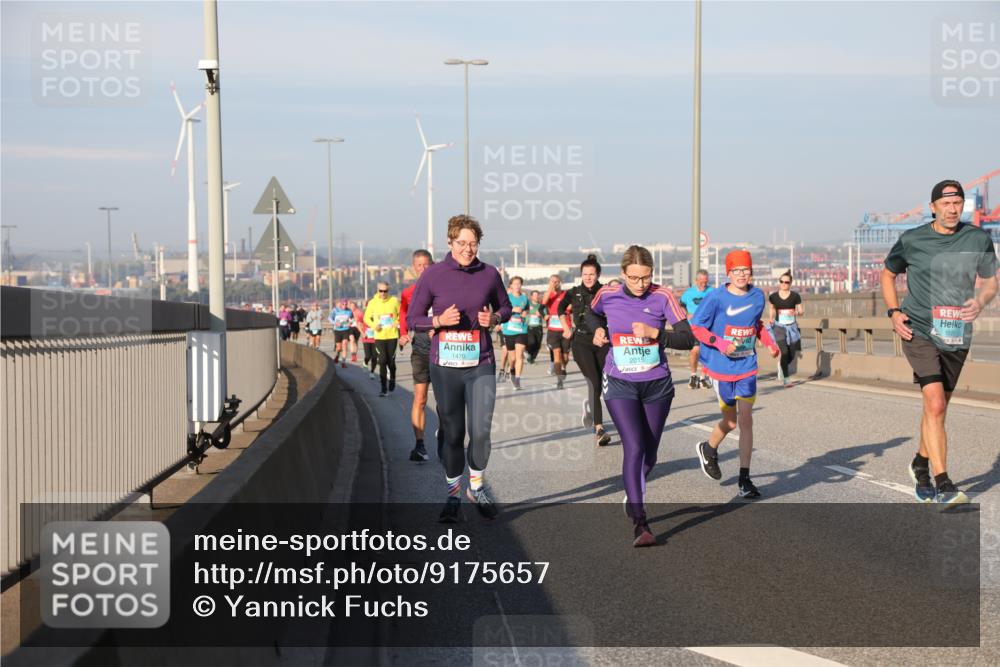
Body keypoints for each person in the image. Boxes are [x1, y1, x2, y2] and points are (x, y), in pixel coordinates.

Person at [882, 179, 998, 506]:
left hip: (956, 333)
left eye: (957, 203)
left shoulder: (977, 238)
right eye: (945, 204)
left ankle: (920, 463)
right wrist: (893, 312)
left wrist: (982, 300)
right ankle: (943, 482)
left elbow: (990, 280)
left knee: (939, 407)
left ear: (964, 206)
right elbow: (888, 274)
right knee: (934, 403)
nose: (952, 209)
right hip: (918, 329)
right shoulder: (913, 239)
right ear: (932, 207)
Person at [587, 245, 696, 546]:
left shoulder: (663, 296)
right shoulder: (608, 294)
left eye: (645, 277)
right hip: (620, 381)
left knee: (650, 453)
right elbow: (590, 314)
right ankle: (640, 522)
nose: (640, 284)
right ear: (623, 274)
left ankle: (633, 490)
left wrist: (655, 334)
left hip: (656, 384)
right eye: (634, 278)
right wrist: (597, 330)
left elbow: (688, 338)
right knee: (633, 447)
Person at [407, 214, 512, 523]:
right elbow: (413, 319)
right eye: (462, 243)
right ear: (450, 242)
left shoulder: (489, 274)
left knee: (481, 431)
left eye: (473, 243)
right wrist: (438, 321)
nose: (468, 249)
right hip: (446, 366)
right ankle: (453, 496)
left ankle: (476, 488)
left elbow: (506, 307)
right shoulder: (433, 276)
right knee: (454, 435)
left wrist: (494, 319)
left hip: (480, 362)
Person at [690, 250, 780, 499]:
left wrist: (770, 344)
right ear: (728, 273)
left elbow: (756, 325)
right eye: (737, 271)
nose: (742, 275)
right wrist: (719, 343)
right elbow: (696, 326)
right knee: (730, 422)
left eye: (746, 270)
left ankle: (744, 478)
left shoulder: (757, 296)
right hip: (720, 367)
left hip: (747, 366)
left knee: (746, 420)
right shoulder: (716, 298)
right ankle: (709, 448)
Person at [561, 254, 611, 446]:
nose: (588, 277)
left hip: (601, 341)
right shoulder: (573, 292)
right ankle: (599, 429)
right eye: (585, 274)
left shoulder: (606, 292)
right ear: (581, 275)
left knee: (605, 384)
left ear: (598, 275)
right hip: (581, 341)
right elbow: (560, 308)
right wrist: (566, 327)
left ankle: (589, 405)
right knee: (594, 382)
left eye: (592, 274)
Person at [400, 249, 445, 462]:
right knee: (420, 398)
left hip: (442, 348)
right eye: (419, 266)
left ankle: (444, 432)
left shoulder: (444, 290)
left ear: (433, 265)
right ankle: (419, 445)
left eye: (427, 265)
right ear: (414, 268)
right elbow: (405, 318)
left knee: (444, 400)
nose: (423, 269)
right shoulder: (408, 293)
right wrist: (402, 334)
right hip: (420, 348)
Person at [365, 281, 401, 397]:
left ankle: (393, 378)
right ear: (377, 290)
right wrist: (374, 326)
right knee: (382, 361)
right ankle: (383, 388)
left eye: (385, 291)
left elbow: (402, 314)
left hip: (392, 336)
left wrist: (397, 322)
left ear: (388, 290)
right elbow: (366, 318)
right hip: (379, 336)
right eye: (381, 291)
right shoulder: (373, 303)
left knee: (390, 361)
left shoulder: (394, 301)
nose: (383, 293)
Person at [767, 271, 803, 385]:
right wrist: (771, 318)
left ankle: (782, 366)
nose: (784, 284)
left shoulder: (795, 296)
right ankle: (786, 378)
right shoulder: (773, 296)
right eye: (782, 281)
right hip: (779, 327)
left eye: (786, 282)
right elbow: (772, 308)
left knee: (792, 354)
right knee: (784, 351)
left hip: (792, 327)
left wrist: (797, 312)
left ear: (790, 283)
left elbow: (801, 311)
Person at [680, 269, 713, 389]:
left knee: (707, 351)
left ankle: (703, 377)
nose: (704, 284)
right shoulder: (689, 293)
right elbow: (681, 304)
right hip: (693, 326)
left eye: (706, 282)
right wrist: (687, 313)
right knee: (695, 350)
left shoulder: (711, 291)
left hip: (708, 326)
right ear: (696, 281)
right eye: (701, 282)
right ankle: (693, 376)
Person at [500, 276, 529, 389]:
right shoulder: (506, 298)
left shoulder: (524, 298)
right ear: (511, 286)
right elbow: (501, 310)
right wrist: (512, 310)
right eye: (515, 283)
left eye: (519, 283)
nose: (517, 285)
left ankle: (517, 380)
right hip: (509, 330)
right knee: (512, 358)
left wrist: (525, 313)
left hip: (521, 329)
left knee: (520, 355)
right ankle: (511, 369)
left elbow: (527, 309)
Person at [543, 274, 570, 389]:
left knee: (565, 356)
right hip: (553, 330)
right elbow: (544, 302)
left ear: (560, 282)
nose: (555, 283)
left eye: (557, 281)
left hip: (565, 329)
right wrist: (550, 288)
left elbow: (570, 306)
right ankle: (559, 380)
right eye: (552, 281)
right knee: (557, 353)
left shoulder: (566, 294)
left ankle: (564, 367)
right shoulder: (549, 294)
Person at [329, 299, 353, 368]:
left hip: (346, 330)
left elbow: (352, 319)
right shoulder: (335, 310)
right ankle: (337, 355)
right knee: (339, 348)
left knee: (345, 344)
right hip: (337, 330)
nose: (345, 306)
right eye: (343, 304)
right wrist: (335, 323)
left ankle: (343, 362)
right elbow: (330, 318)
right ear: (340, 304)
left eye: (346, 304)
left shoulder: (349, 311)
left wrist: (350, 323)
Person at [525, 290, 545, 364]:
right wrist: (532, 312)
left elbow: (545, 315)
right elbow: (523, 312)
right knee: (532, 342)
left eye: (538, 295)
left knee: (538, 344)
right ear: (531, 296)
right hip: (529, 326)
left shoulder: (541, 306)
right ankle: (528, 352)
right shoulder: (528, 304)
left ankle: (532, 358)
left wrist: (542, 314)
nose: (537, 297)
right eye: (535, 295)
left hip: (538, 327)